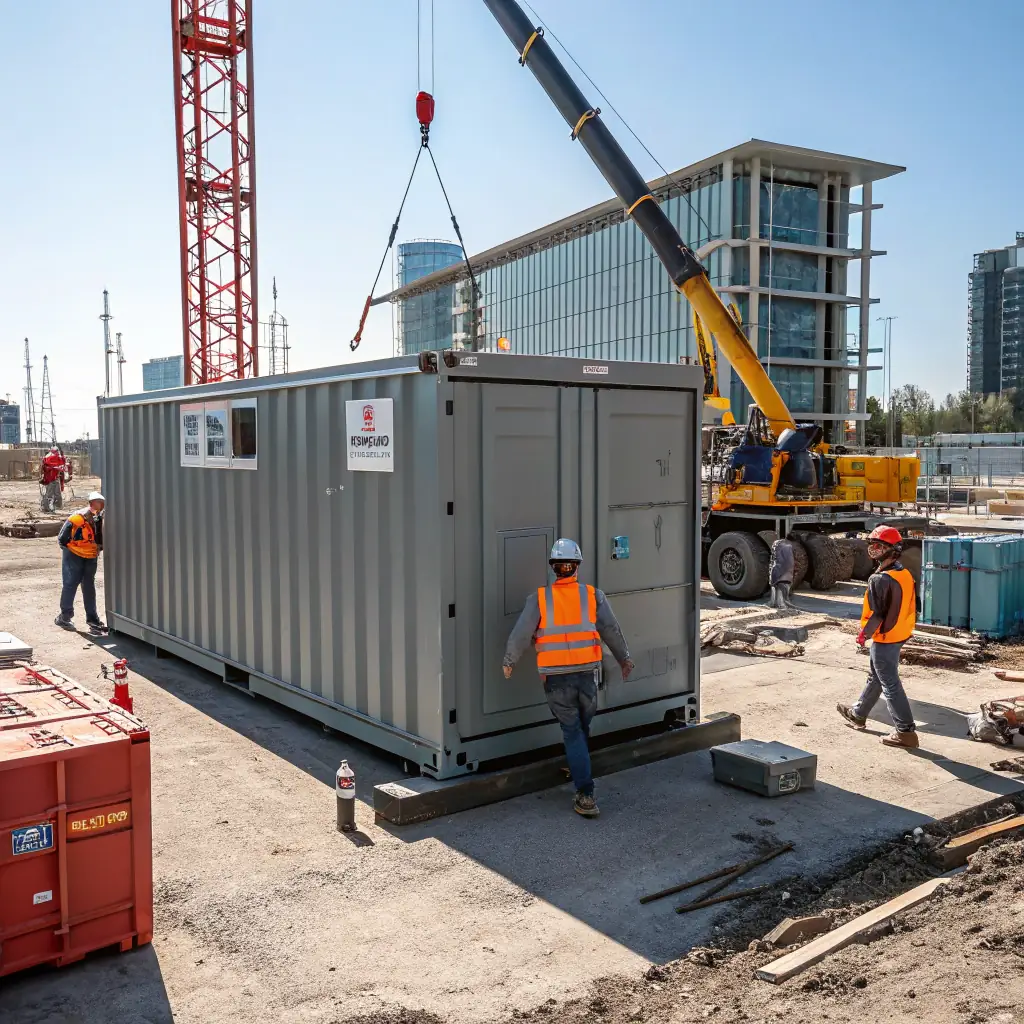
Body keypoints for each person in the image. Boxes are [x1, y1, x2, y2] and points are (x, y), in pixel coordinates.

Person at [502, 538, 634, 818]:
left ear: (554, 567)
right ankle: (579, 767)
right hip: (587, 677)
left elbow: (521, 634)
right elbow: (611, 629)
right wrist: (624, 658)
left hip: (556, 679)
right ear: (577, 567)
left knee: (573, 731)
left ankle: (585, 793)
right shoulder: (592, 595)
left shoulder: (539, 598)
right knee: (580, 728)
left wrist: (509, 661)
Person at [836, 525, 919, 748]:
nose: (873, 549)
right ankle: (859, 714)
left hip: (886, 636)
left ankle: (906, 732)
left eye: (879, 546)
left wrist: (864, 635)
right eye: (872, 544)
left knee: (890, 683)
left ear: (892, 550)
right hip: (900, 631)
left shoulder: (879, 579)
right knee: (877, 676)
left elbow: (877, 613)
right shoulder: (903, 573)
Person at [55, 491, 107, 634]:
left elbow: (62, 539)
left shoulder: (79, 517)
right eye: (99, 503)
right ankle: (92, 620)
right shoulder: (97, 519)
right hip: (86, 555)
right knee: (86, 586)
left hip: (79, 555)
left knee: (71, 584)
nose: (99, 506)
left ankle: (66, 617)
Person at [767, 537, 796, 609]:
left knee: (775, 586)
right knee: (785, 589)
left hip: (779, 576)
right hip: (788, 575)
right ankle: (783, 603)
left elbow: (774, 562)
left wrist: (772, 579)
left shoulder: (776, 546)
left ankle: (777, 603)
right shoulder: (789, 547)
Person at [39, 446, 69, 513]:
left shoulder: (58, 458)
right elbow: (46, 467)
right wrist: (55, 468)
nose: (57, 453)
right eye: (56, 452)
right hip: (49, 479)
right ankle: (45, 507)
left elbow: (62, 466)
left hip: (55, 478)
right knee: (49, 494)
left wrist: (61, 468)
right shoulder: (48, 458)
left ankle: (57, 506)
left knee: (57, 494)